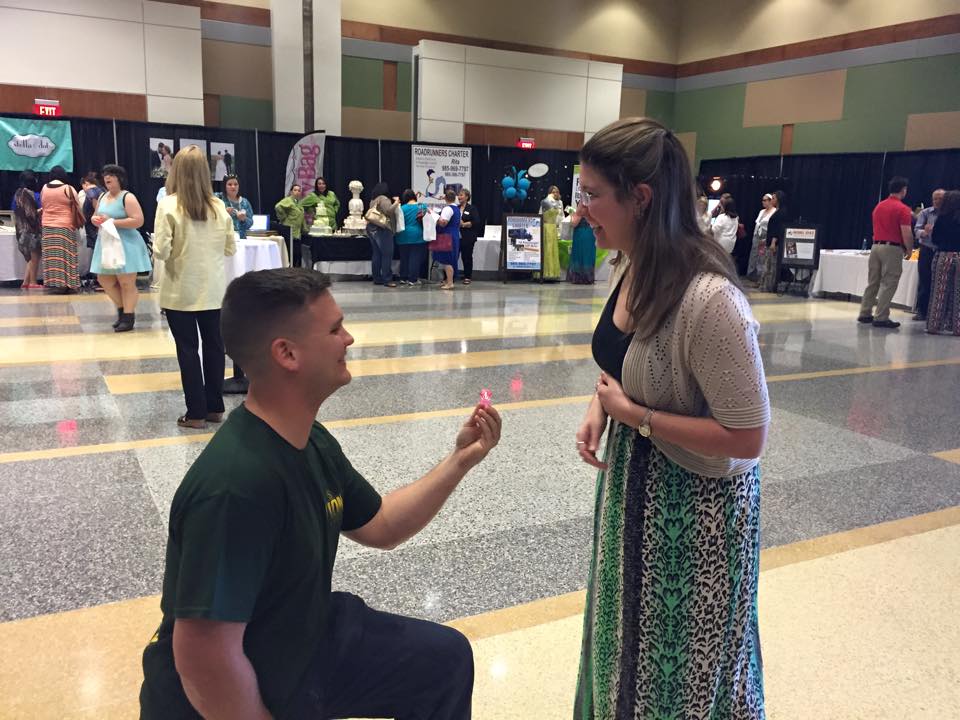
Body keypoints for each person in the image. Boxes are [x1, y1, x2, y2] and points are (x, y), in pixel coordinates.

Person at [139, 266, 502, 719]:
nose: (348, 339)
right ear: (287, 353)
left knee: (443, 661)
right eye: (334, 329)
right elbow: (203, 657)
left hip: (297, 632)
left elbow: (382, 525)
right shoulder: (236, 486)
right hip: (233, 684)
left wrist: (460, 460)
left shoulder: (309, 440)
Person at [573, 118, 769, 719]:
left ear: (641, 197)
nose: (582, 212)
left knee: (681, 675)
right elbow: (625, 355)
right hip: (635, 497)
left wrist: (637, 415)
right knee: (623, 654)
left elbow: (748, 436)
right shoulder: (631, 263)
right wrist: (599, 406)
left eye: (592, 196)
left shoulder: (709, 300)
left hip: (695, 521)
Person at [153, 145, 236, 429]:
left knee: (188, 350)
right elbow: (229, 248)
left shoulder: (167, 204)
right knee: (215, 347)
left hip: (180, 291)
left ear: (176, 171)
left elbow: (161, 251)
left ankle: (195, 412)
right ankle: (215, 407)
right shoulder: (219, 206)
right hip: (213, 290)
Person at [90, 165, 150, 332]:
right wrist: (96, 220)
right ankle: (122, 309)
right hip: (106, 242)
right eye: (105, 175)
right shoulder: (102, 196)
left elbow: (138, 220)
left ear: (119, 178)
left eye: (111, 175)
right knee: (104, 279)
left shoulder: (127, 197)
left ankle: (128, 316)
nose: (107, 178)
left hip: (126, 243)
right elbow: (96, 215)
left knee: (126, 282)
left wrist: (112, 222)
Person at [858, 177, 914, 328]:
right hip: (892, 248)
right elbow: (906, 232)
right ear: (903, 190)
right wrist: (909, 249)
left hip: (875, 246)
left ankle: (865, 312)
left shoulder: (879, 206)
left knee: (873, 281)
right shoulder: (903, 209)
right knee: (889, 282)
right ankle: (881, 316)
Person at [39, 165, 83, 294]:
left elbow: (43, 205)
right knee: (66, 255)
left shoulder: (44, 188)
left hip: (47, 226)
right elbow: (77, 205)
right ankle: (69, 283)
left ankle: (54, 283)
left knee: (52, 256)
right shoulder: (68, 189)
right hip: (65, 226)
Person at [926, 190, 960, 336]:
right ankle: (957, 327)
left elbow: (935, 239)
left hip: (944, 256)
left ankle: (934, 325)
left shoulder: (942, 218)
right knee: (958, 294)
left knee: (939, 292)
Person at [913, 189, 945, 321]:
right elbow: (916, 230)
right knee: (924, 280)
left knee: (940, 282)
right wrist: (924, 232)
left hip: (941, 250)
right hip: (926, 249)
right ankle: (922, 311)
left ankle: (938, 312)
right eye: (935, 199)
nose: (937, 201)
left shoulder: (948, 214)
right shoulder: (925, 212)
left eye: (940, 199)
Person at [12, 171, 42, 289]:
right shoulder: (34, 195)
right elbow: (36, 211)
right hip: (32, 230)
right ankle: (33, 282)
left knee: (29, 258)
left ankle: (25, 282)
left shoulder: (17, 194)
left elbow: (14, 209)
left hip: (20, 230)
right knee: (35, 257)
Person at [366, 182, 399, 288]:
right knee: (387, 254)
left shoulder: (373, 200)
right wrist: (396, 202)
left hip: (372, 228)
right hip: (382, 229)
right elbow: (388, 211)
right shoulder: (383, 198)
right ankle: (387, 279)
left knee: (376, 254)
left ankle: (377, 278)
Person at [395, 189, 428, 286]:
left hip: (402, 235)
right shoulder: (422, 206)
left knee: (404, 258)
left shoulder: (401, 208)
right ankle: (413, 279)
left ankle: (403, 278)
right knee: (415, 258)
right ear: (414, 196)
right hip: (417, 235)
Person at [758, 190, 786, 293]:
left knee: (771, 266)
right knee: (767, 264)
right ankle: (765, 285)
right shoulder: (777, 211)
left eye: (773, 198)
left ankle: (769, 286)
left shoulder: (781, 212)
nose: (772, 200)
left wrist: (773, 242)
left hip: (774, 243)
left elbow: (778, 229)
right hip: (770, 241)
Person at [434, 188, 461, 290]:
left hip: (447, 235)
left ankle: (450, 283)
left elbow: (443, 222)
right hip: (454, 234)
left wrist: (435, 218)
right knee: (451, 258)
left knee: (447, 259)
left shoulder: (447, 209)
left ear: (445, 197)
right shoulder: (457, 208)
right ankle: (448, 280)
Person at [275, 184, 307, 267]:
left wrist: (305, 229)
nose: (297, 192)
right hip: (289, 232)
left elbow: (301, 218)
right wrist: (283, 217)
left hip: (297, 234)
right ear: (291, 191)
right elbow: (278, 207)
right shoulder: (288, 200)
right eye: (295, 190)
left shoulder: (299, 204)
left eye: (299, 190)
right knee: (290, 255)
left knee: (298, 255)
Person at [748, 193, 776, 280]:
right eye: (762, 200)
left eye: (765, 200)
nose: (762, 202)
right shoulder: (761, 211)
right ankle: (751, 274)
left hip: (765, 235)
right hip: (757, 234)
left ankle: (760, 276)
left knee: (762, 256)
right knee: (754, 255)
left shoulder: (774, 211)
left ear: (770, 201)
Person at [537, 185, 563, 280]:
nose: (555, 193)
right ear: (549, 192)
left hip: (554, 228)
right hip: (547, 227)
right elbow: (540, 214)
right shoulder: (545, 202)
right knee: (547, 249)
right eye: (553, 192)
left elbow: (562, 216)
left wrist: (560, 229)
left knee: (553, 250)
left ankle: (552, 273)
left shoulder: (560, 202)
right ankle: (545, 272)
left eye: (557, 191)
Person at [458, 188, 481, 285]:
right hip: (456, 236)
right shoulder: (456, 207)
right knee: (453, 256)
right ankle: (450, 276)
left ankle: (467, 276)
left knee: (466, 256)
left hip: (468, 237)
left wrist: (464, 224)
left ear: (467, 197)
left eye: (461, 195)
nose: (459, 197)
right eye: (459, 195)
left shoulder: (472, 208)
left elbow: (476, 221)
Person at [567, 207, 596, 284]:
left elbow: (574, 223)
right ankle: (588, 277)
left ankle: (579, 278)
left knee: (579, 254)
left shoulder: (581, 209)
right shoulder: (593, 207)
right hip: (590, 232)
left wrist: (572, 215)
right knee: (588, 255)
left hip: (581, 233)